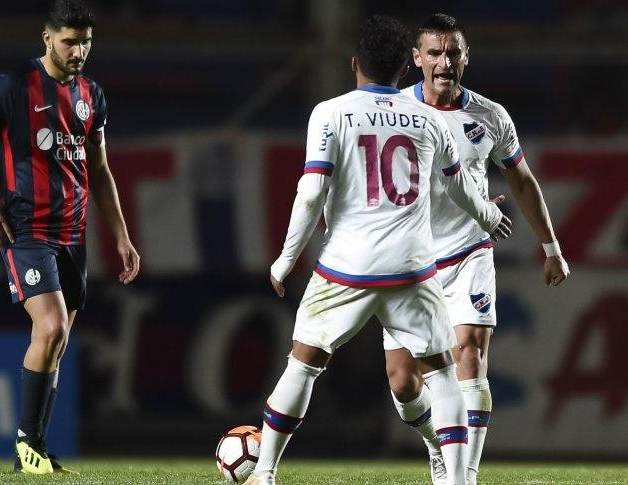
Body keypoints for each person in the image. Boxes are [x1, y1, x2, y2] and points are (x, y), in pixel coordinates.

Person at [243, 15, 513, 485]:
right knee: (442, 374)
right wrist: (490, 216)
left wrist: (286, 259)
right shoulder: (429, 118)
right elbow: (462, 187)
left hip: (347, 268)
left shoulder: (331, 112)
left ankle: (264, 473)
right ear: (405, 70)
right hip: (412, 268)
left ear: (354, 64)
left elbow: (311, 194)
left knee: (303, 365)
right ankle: (457, 479)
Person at [0, 0, 139, 475]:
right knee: (49, 328)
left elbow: (100, 169)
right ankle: (27, 445)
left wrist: (122, 236)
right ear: (47, 38)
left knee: (59, 341)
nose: (79, 51)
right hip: (27, 229)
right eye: (69, 41)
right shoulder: (13, 85)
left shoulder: (93, 94)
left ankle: (34, 449)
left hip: (74, 234)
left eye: (86, 42)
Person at [383, 13, 571, 485]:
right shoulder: (393, 112)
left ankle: (463, 476)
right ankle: (436, 441)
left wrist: (551, 247)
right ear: (416, 59)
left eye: (453, 53)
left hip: (470, 251)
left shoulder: (490, 116)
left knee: (468, 353)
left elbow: (522, 181)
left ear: (466, 58)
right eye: (434, 53)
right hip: (409, 260)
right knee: (404, 382)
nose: (444, 62)